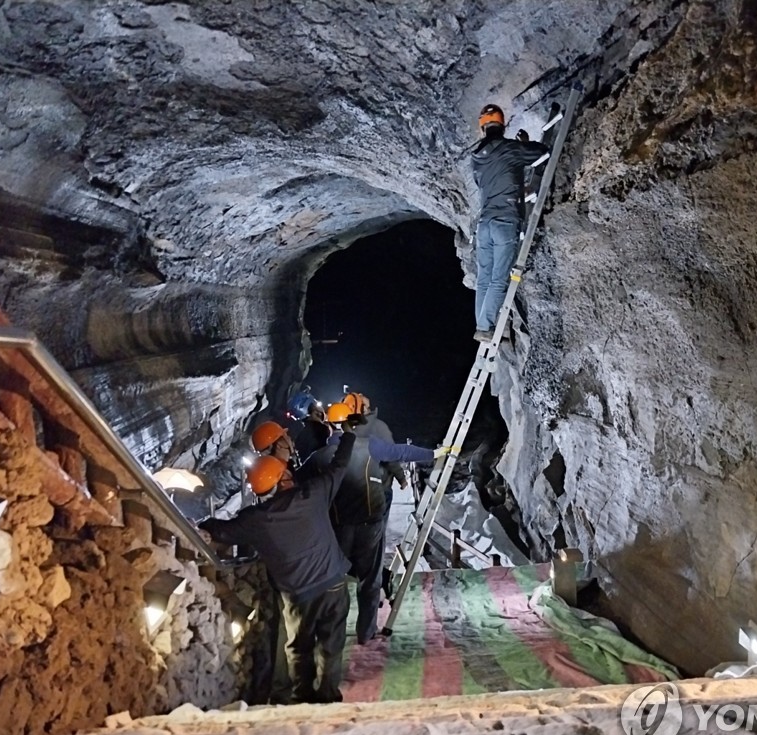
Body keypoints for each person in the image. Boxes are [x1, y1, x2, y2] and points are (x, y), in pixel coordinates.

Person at [200, 425, 357, 704]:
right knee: (331, 646)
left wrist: (205, 525)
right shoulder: (312, 495)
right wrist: (348, 435)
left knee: (299, 648)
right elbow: (340, 465)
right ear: (284, 476)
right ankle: (329, 697)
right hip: (332, 583)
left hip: (298, 595)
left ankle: (303, 697)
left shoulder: (255, 520)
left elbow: (222, 531)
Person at [312, 402, 446, 644]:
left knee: (334, 581)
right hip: (370, 525)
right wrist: (434, 453)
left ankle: (331, 634)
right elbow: (401, 452)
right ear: (351, 423)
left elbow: (295, 483)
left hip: (337, 527)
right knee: (370, 580)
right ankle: (366, 632)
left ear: (329, 425)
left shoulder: (319, 457)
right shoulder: (369, 446)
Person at [471, 103, 550, 343]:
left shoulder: (476, 158)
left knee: (484, 277)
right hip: (505, 220)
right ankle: (485, 327)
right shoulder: (509, 148)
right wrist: (523, 143)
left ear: (482, 129)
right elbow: (541, 152)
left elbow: (482, 183)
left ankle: (482, 324)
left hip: (484, 224)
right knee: (498, 278)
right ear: (502, 125)